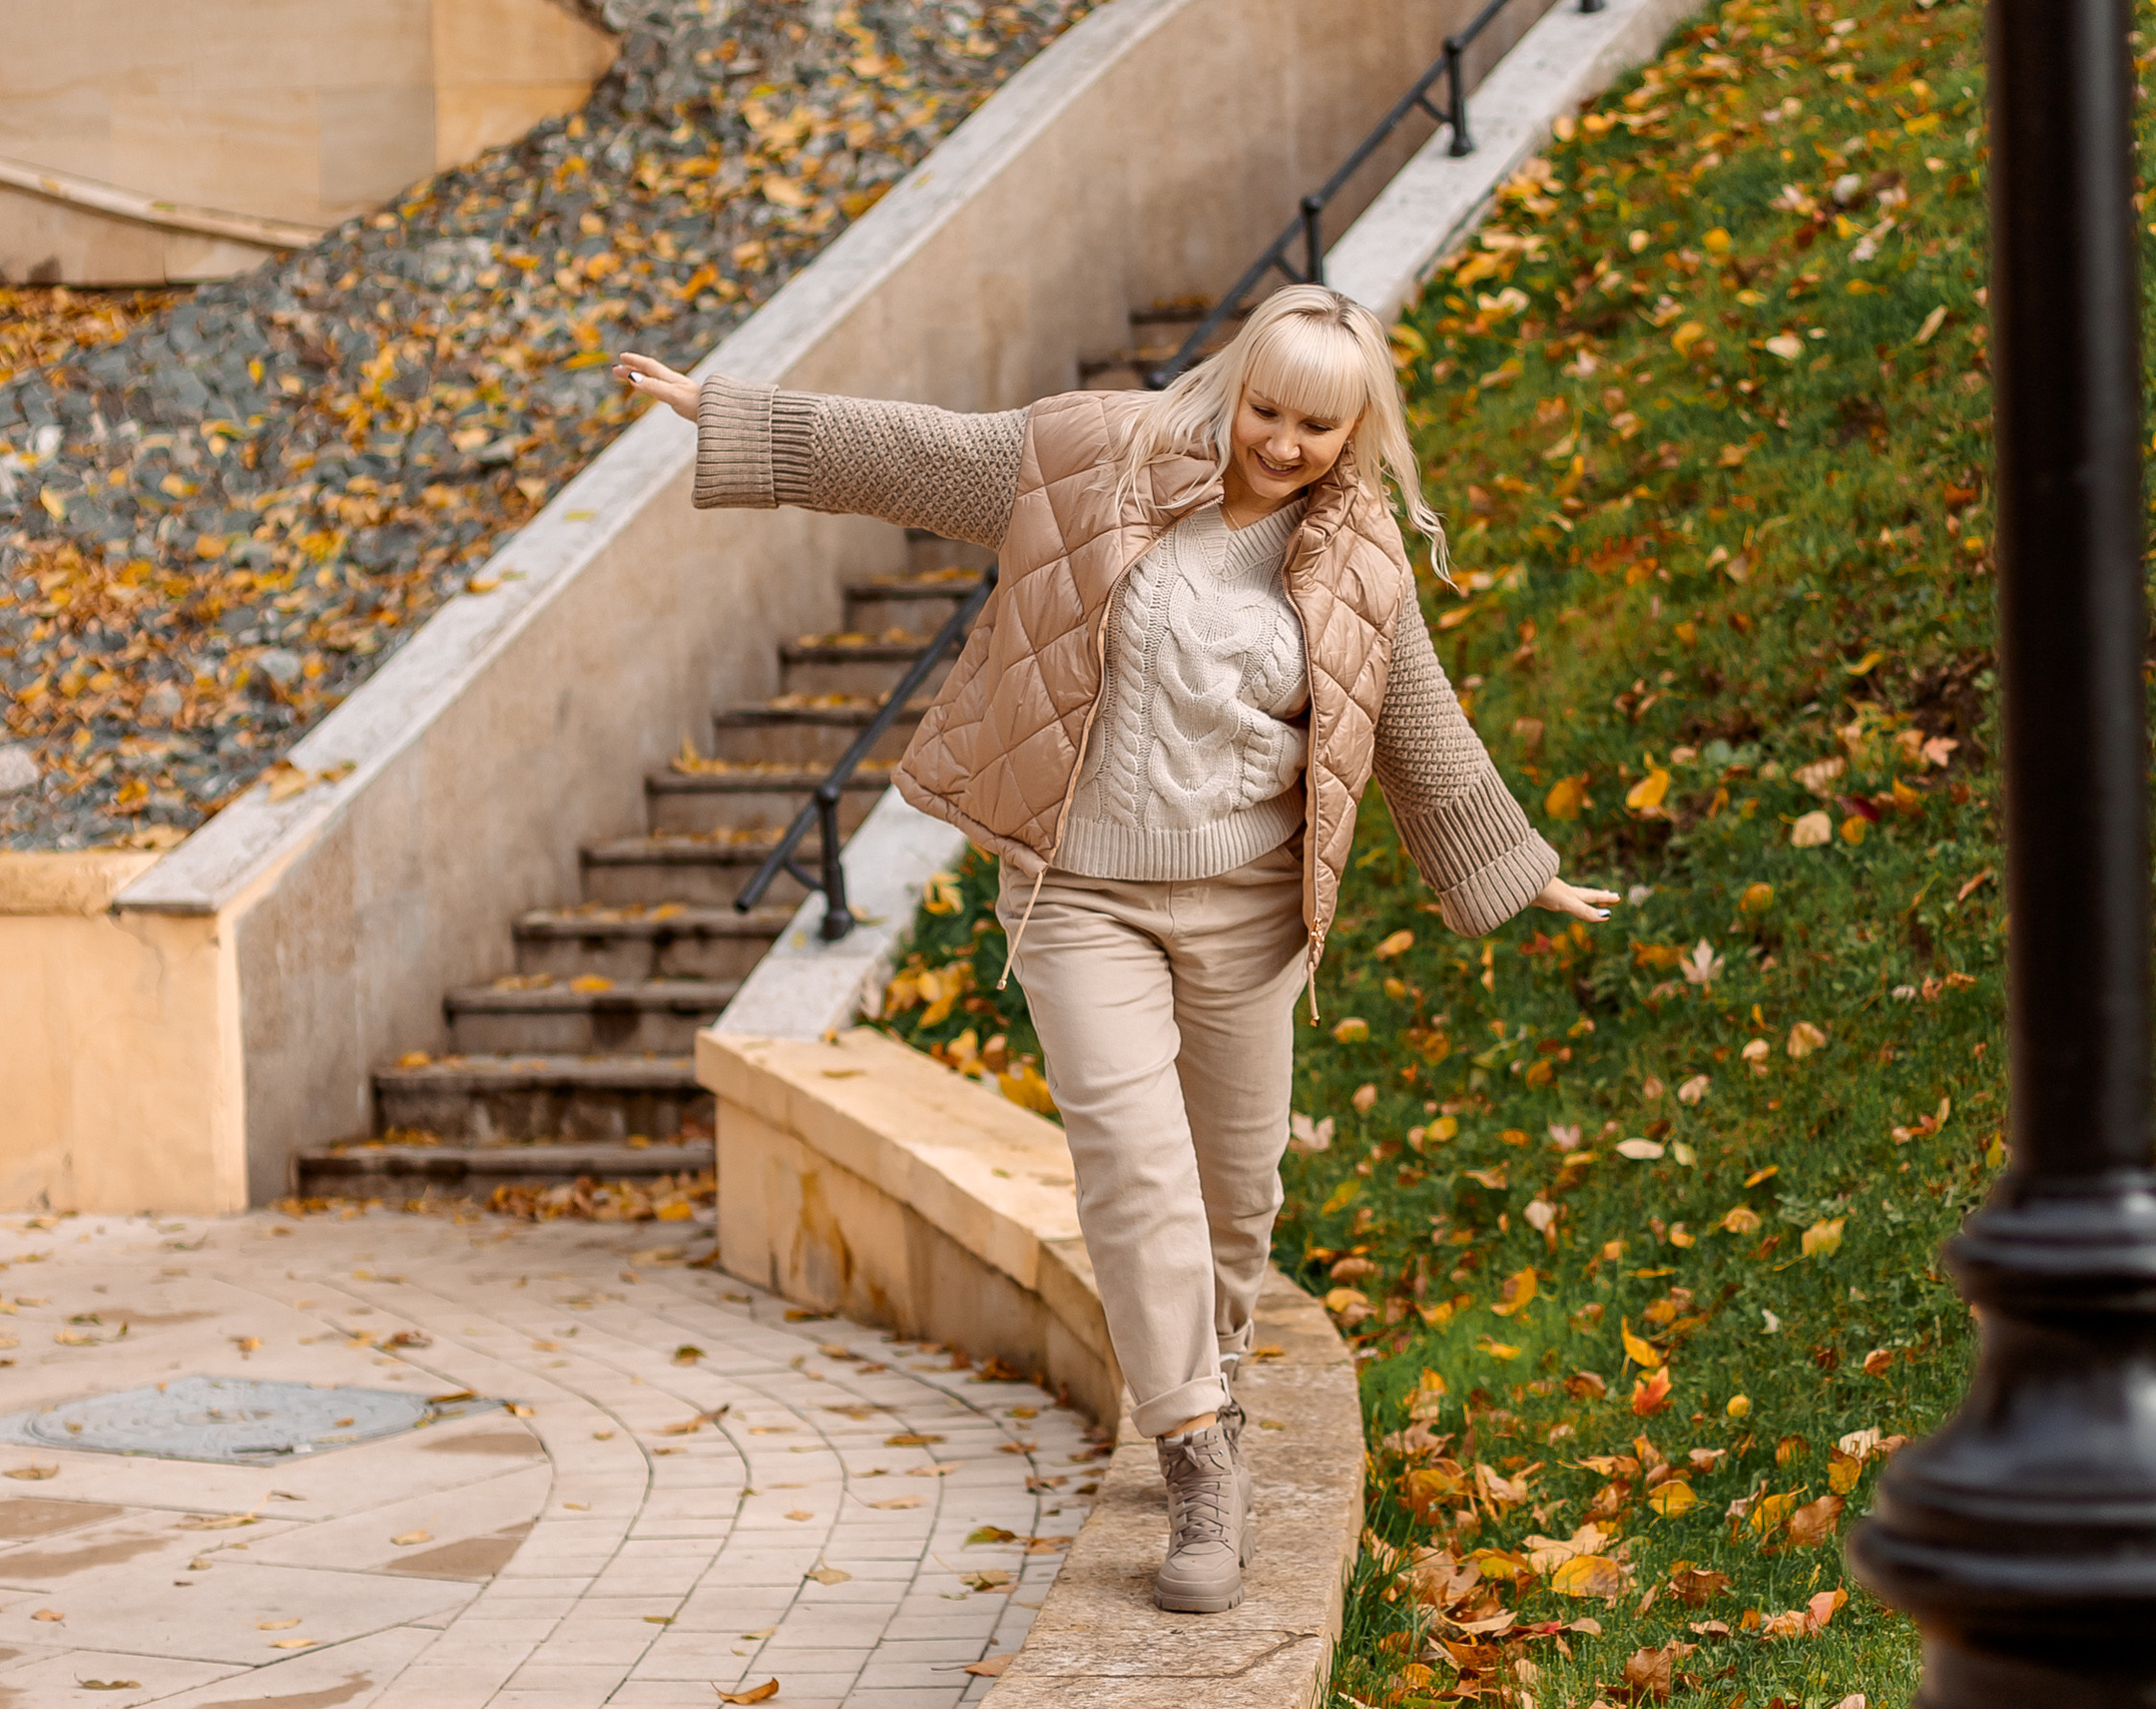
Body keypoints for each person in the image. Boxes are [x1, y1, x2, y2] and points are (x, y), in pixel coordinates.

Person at [617, 284, 1614, 1615]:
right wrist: (726, 414)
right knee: (1135, 1170)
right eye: (1266, 408)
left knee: (1233, 1195)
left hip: (1249, 913)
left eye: (1317, 426)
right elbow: (918, 453)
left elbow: (1415, 729)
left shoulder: (1359, 554)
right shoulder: (1099, 457)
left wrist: (1520, 869)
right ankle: (1195, 1451)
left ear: (1357, 427)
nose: (1282, 442)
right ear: (1236, 383)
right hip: (1080, 893)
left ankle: (1223, 1383)